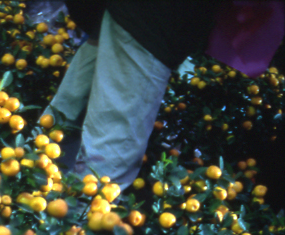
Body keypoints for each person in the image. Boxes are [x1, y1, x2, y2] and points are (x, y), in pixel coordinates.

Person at [44, 1, 219, 188]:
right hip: (153, 24)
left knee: (66, 117)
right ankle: (71, 210)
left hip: (129, 15)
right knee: (109, 160)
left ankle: (26, 190)